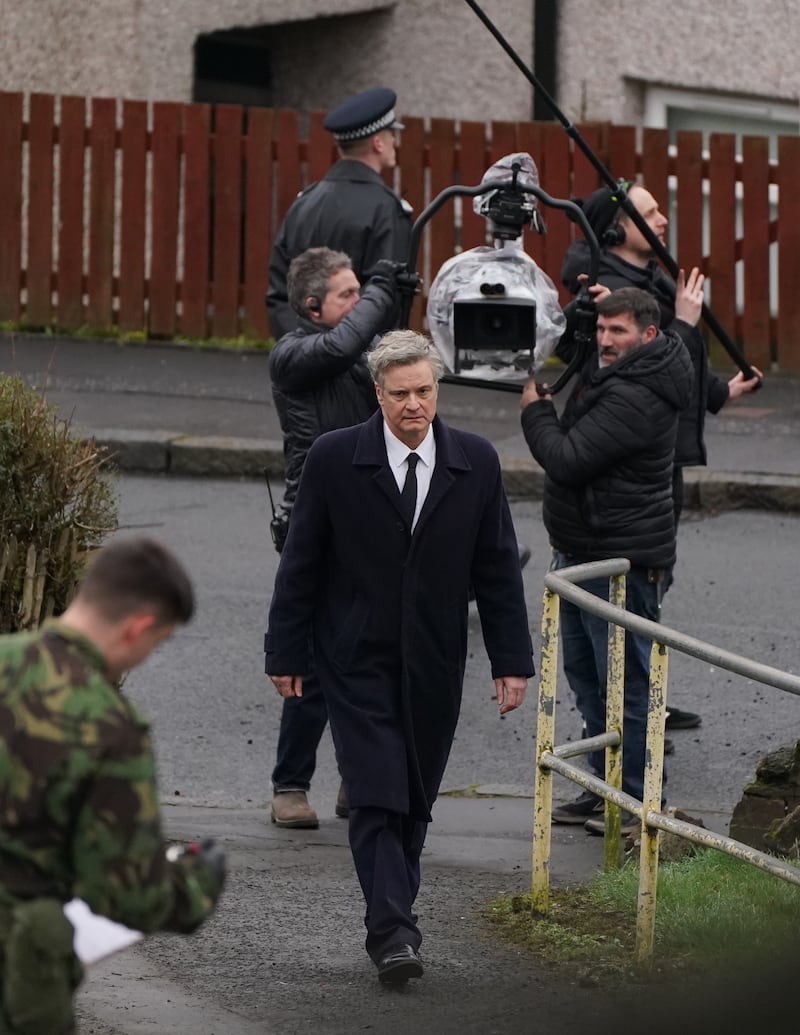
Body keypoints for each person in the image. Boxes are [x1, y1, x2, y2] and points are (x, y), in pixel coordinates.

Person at [265, 330, 533, 984]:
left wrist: (511, 660)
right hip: (352, 655)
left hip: (435, 660)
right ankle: (392, 932)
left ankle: (393, 914)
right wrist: (286, 648)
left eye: (425, 391)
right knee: (377, 791)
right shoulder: (335, 458)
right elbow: (301, 562)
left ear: (436, 389)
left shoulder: (474, 461)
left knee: (412, 795)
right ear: (377, 393)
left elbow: (497, 568)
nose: (415, 404)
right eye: (401, 393)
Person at [0, 536, 225, 1034]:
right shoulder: (111, 726)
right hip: (18, 977)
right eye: (157, 642)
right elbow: (129, 896)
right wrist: (197, 884)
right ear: (139, 627)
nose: (147, 656)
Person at [559, 181, 762, 733]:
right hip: (624, 464)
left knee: (650, 586)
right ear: (617, 225)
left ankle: (637, 706)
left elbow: (676, 370)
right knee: (628, 598)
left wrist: (720, 392)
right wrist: (684, 324)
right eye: (649, 212)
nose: (662, 220)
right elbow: (650, 365)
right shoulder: (604, 289)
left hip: (661, 456)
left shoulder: (653, 281)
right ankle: (625, 723)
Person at [520, 288, 694, 836]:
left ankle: (643, 804)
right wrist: (576, 316)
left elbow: (568, 459)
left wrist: (535, 413)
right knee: (589, 678)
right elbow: (574, 352)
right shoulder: (625, 372)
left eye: (617, 331)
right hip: (585, 553)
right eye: (601, 330)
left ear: (647, 334)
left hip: (620, 560)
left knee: (628, 686)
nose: (604, 341)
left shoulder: (638, 393)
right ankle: (606, 787)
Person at [268, 245, 402, 830]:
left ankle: (359, 779)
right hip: (315, 525)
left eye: (361, 293)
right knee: (313, 668)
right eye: (349, 294)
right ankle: (289, 787)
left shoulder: (358, 352)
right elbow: (344, 345)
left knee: (377, 655)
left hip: (377, 521)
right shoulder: (295, 354)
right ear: (313, 306)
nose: (361, 304)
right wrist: (381, 289)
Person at [266, 87, 412, 341]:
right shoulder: (388, 209)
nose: (395, 143)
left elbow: (280, 293)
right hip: (358, 365)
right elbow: (387, 298)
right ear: (378, 143)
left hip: (302, 363)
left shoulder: (304, 203)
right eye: (391, 135)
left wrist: (304, 350)